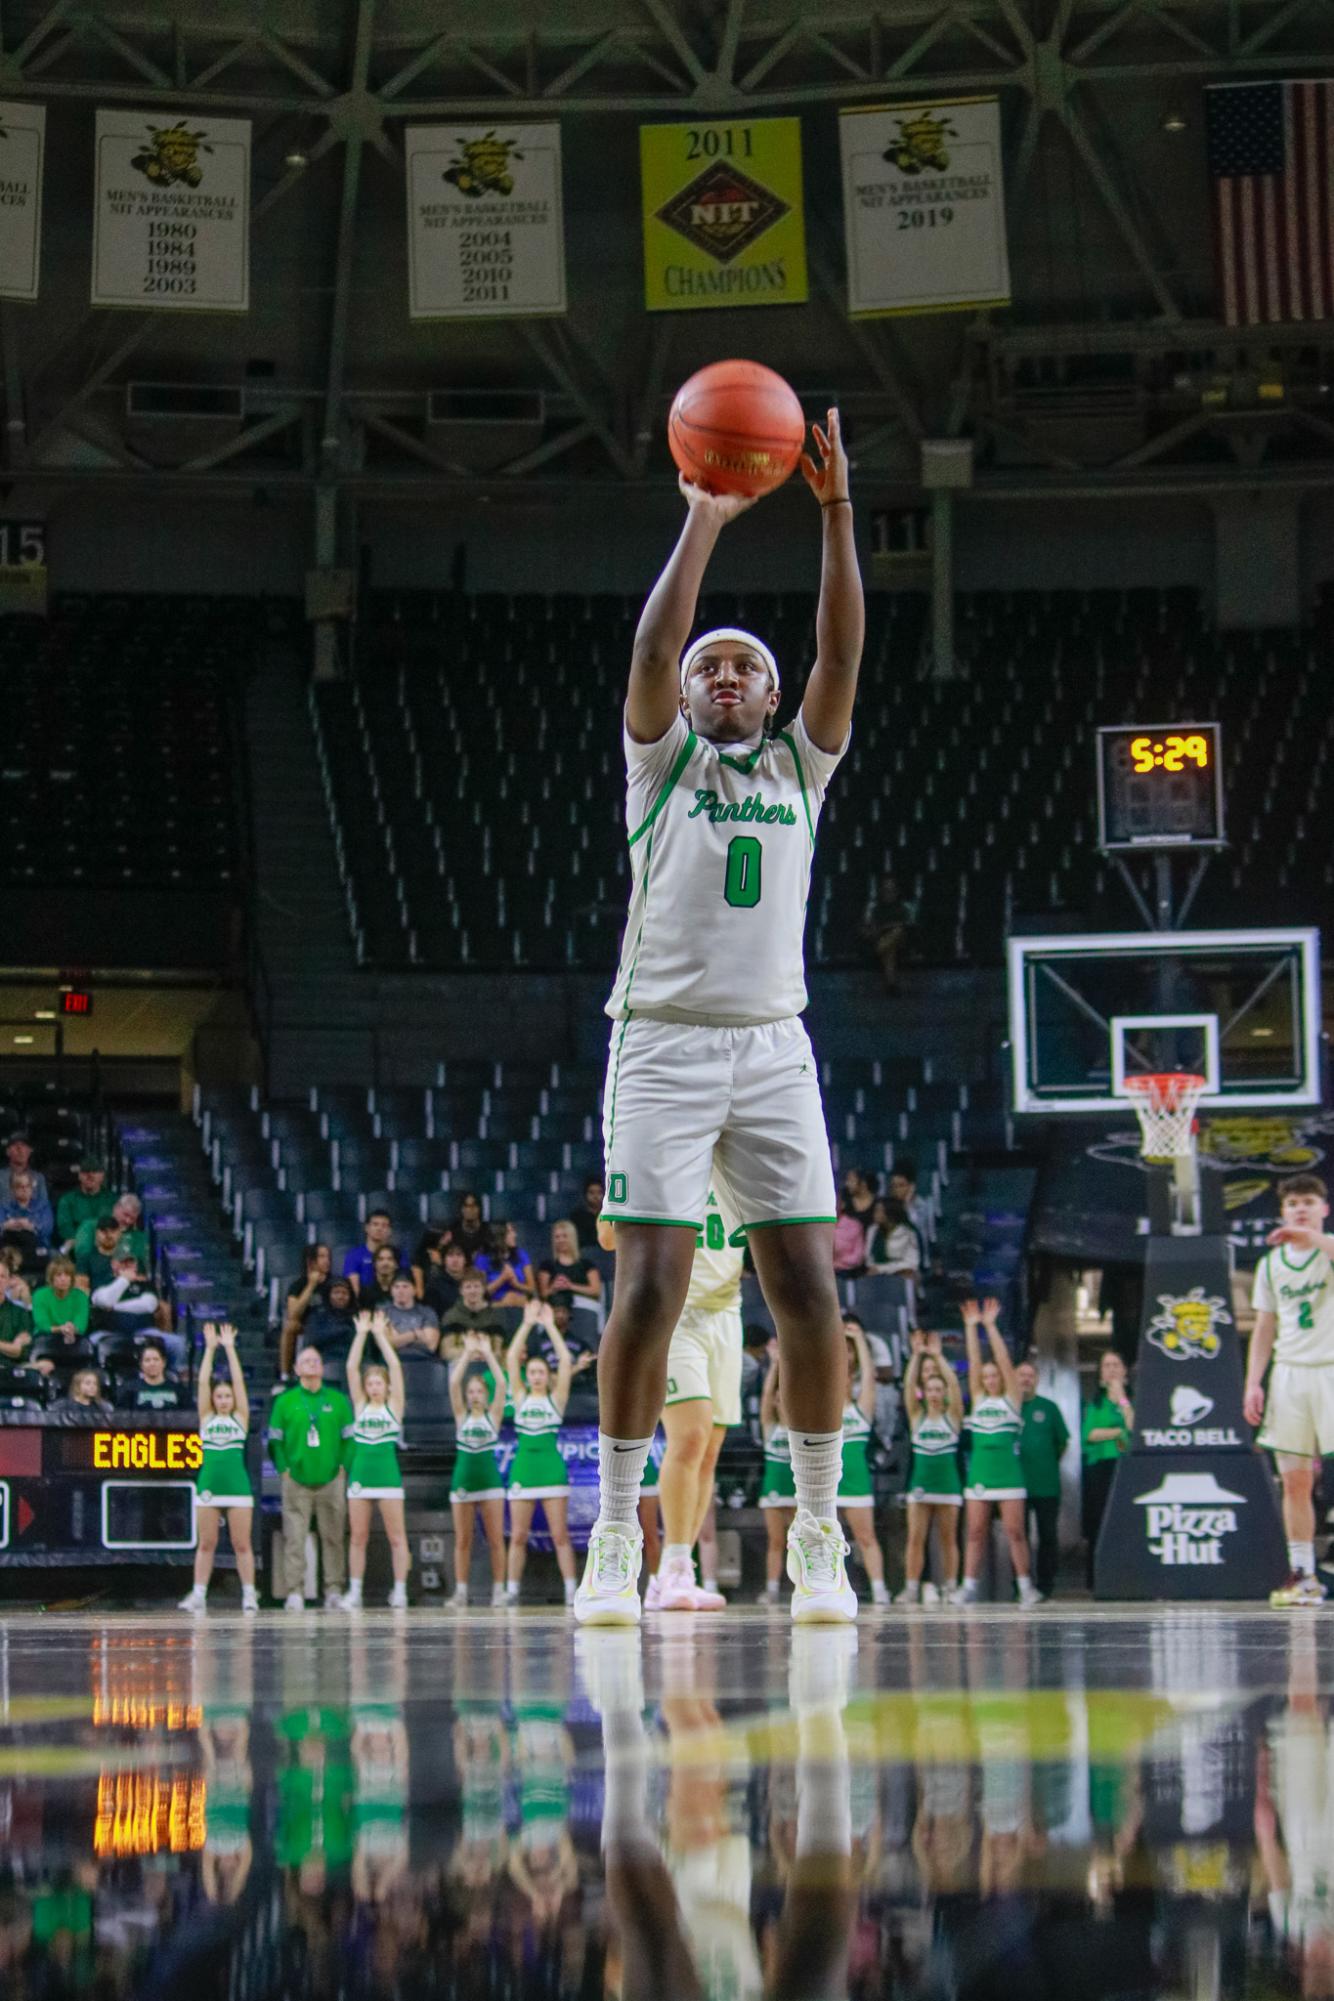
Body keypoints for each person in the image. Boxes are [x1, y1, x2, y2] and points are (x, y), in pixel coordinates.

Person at [575, 407, 865, 1629]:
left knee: (807, 1288)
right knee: (644, 1290)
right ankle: (610, 1542)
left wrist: (836, 515)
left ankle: (814, 1534)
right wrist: (702, 518)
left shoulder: (801, 765)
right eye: (711, 670)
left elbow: (839, 656)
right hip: (659, 1040)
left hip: (770, 1046)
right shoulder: (661, 769)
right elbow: (650, 652)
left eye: (743, 667)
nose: (725, 678)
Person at [611, 1181, 741, 1614]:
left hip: (726, 1314)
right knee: (690, 1436)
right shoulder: (667, 1154)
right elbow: (608, 1234)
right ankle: (671, 1569)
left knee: (708, 1449)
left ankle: (677, 1569)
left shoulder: (740, 1157)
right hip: (675, 1312)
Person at [1245, 1172, 1334, 1608]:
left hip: (1332, 1369)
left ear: (1324, 1209)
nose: (1300, 1208)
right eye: (1293, 1203)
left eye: (1308, 1202)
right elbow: (1264, 1327)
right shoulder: (1270, 1264)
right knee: (1295, 1480)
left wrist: (1310, 1236)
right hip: (1290, 1374)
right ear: (1282, 1211)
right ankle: (1304, 1574)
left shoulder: (1328, 1250)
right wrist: (1253, 1383)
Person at [960, 1297, 1040, 1607]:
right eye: (987, 1376)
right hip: (980, 1473)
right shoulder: (978, 1399)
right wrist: (970, 1329)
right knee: (976, 1532)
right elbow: (974, 1360)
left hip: (1009, 1473)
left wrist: (991, 1327)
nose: (991, 1378)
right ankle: (967, 1587)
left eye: (995, 1376)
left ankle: (1025, 1587)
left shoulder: (1012, 1399)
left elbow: (1006, 1364)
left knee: (1015, 1531)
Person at [180, 1323, 259, 1615]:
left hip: (237, 1487)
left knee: (242, 1544)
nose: (224, 1400)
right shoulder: (206, 1418)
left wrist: (230, 1348)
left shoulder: (240, 1418)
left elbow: (239, 1383)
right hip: (209, 1485)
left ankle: (250, 1594)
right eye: (220, 1396)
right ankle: (199, 1594)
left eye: (228, 1396)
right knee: (207, 1543)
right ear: (213, 1400)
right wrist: (210, 1349)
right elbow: (202, 1383)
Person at [269, 1345, 354, 1612]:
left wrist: (343, 1467)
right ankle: (294, 1591)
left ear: (322, 1367)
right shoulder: (285, 1401)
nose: (311, 1365)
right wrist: (284, 1469)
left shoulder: (338, 1400)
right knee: (294, 1537)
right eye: (305, 1361)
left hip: (331, 1478)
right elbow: (274, 1441)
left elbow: (349, 1439)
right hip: (296, 1480)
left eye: (316, 1361)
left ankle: (334, 1589)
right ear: (296, 1369)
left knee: (334, 1536)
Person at [505, 1301, 577, 1606]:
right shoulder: (519, 1396)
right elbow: (510, 1357)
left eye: (540, 1372)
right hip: (523, 1468)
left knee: (560, 1535)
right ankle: (510, 1591)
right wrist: (525, 1323)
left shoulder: (556, 1399)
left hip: (551, 1469)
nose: (535, 1376)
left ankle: (572, 1590)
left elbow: (564, 1359)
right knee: (518, 1535)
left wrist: (548, 1325)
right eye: (531, 1372)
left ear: (547, 1377)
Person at [342, 1310, 410, 1610]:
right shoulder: (359, 1405)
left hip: (388, 1477)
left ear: (386, 1387)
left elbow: (394, 1365)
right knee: (358, 1537)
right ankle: (354, 1592)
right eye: (369, 1384)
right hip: (360, 1476)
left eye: (378, 1383)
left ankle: (400, 1590)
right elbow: (350, 1367)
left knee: (397, 1537)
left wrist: (381, 1336)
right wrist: (360, 1334)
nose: (373, 1387)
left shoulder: (394, 1407)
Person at [898, 1331, 964, 1604]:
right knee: (915, 1537)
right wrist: (916, 1356)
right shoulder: (917, 1415)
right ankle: (911, 1587)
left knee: (948, 1539)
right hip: (921, 1484)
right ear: (925, 1393)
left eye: (940, 1390)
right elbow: (908, 1387)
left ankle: (950, 1587)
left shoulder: (953, 1416)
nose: (935, 1394)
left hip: (948, 1484)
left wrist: (938, 1357)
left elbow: (955, 1387)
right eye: (931, 1390)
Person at [448, 1331, 509, 1609]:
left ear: (486, 1395)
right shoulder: (460, 1415)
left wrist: (487, 1354)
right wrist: (465, 1354)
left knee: (496, 1539)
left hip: (490, 1482)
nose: (474, 1395)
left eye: (479, 1392)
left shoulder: (492, 1415)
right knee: (463, 1540)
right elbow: (453, 1383)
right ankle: (461, 1592)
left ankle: (499, 1590)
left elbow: (501, 1383)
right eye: (471, 1391)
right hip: (463, 1481)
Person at [838, 1317, 891, 1605]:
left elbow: (869, 1377)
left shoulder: (861, 1409)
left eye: (848, 1374)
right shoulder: (823, 1412)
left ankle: (880, 1589)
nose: (843, 1377)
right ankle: (829, 1589)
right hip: (830, 1481)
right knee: (827, 1543)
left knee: (866, 1537)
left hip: (857, 1481)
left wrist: (858, 1339)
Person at [1016, 1358, 1070, 1600]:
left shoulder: (1048, 1407)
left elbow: (1063, 1443)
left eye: (1030, 1375)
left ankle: (1046, 1584)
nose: (1026, 1379)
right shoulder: (1007, 1408)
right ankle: (1021, 1583)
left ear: (1036, 1380)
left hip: (1047, 1484)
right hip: (1016, 1485)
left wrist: (1047, 1461)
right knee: (1019, 1535)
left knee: (1048, 1536)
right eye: (1021, 1375)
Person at [1081, 1349, 1134, 1588]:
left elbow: (1134, 1426)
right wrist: (1119, 1432)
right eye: (1106, 1365)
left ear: (1124, 1371)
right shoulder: (1095, 1403)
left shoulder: (1133, 1400)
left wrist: (1122, 1400)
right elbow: (1090, 1434)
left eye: (1115, 1364)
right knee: (1098, 1522)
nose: (1111, 1369)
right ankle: (1097, 1578)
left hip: (1125, 1467)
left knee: (1126, 1521)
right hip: (1099, 1468)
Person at [758, 1345, 796, 1603]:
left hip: (795, 1490)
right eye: (778, 1398)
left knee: (797, 1541)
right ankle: (771, 1589)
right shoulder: (769, 1428)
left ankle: (801, 1585)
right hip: (773, 1488)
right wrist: (775, 1365)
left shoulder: (798, 1429)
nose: (781, 1402)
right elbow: (765, 1394)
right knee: (775, 1540)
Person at [283, 1272, 357, 1377]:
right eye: (336, 1293)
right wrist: (343, 1331)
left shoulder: (356, 1317)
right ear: (329, 1295)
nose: (341, 1296)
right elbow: (313, 1339)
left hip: (351, 1361)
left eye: (345, 1293)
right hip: (325, 1360)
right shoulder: (317, 1314)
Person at [440, 1266, 508, 1358]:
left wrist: (484, 1354)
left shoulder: (495, 1316)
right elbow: (446, 1352)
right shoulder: (451, 1316)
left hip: (488, 1364)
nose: (473, 1291)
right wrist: (472, 1354)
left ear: (483, 1289)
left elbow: (498, 1352)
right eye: (468, 1287)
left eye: (476, 1286)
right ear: (461, 1291)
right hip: (459, 1364)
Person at [537, 1219, 602, 1312]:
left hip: (583, 1304)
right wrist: (554, 1287)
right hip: (556, 1305)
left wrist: (570, 1286)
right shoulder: (547, 1265)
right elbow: (543, 1294)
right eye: (557, 1237)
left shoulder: (587, 1265)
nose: (561, 1240)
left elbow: (596, 1291)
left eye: (564, 1236)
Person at [861, 871, 911, 994]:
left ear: (897, 891)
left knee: (897, 933)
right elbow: (866, 928)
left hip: (902, 943)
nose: (889, 894)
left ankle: (879, 950)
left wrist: (889, 927)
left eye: (891, 890)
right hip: (879, 940)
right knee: (890, 950)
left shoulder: (904, 908)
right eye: (886, 890)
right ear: (881, 891)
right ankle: (891, 984)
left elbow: (908, 927)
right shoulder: (874, 908)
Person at [474, 1220, 535, 1307]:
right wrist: (502, 1278)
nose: (515, 1235)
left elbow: (531, 1289)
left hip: (521, 1305)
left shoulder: (521, 1254)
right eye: (510, 1232)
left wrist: (516, 1284)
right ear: (499, 1236)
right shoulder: (483, 1258)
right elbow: (480, 1293)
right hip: (494, 1307)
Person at [55, 1158, 112, 1250]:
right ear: (79, 1176)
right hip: (77, 1247)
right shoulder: (67, 1200)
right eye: (86, 1172)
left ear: (102, 1176)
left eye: (95, 1171)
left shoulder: (112, 1200)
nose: (90, 1175)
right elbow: (65, 1229)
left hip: (106, 1246)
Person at [380, 1271, 441, 1357]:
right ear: (391, 1291)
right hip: (392, 1359)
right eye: (396, 1287)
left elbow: (431, 1346)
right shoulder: (383, 1312)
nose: (400, 1291)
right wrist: (415, 1334)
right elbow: (386, 1344)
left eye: (405, 1286)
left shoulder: (427, 1312)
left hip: (424, 1359)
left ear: (414, 1290)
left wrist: (399, 1338)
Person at [0, 1168, 54, 1264]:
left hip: (38, 1247)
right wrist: (6, 1226)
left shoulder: (43, 1206)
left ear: (32, 1188)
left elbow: (47, 1229)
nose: (24, 1190)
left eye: (27, 1186)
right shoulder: (4, 1207)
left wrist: (31, 1227)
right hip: (9, 1249)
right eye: (20, 1187)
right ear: (12, 1189)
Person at [117, 1337, 187, 1411]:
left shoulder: (178, 1390)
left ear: (164, 1362)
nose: (152, 1364)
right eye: (147, 1360)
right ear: (141, 1364)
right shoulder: (129, 1390)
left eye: (156, 1359)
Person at [342, 1210, 397, 1295]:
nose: (379, 1228)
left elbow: (404, 1282)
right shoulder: (354, 1255)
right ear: (366, 1228)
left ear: (390, 1231)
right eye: (375, 1224)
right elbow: (353, 1290)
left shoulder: (398, 1254)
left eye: (384, 1225)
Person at [865, 1197, 921, 1277]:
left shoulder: (908, 1232)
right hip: (877, 1279)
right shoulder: (872, 1231)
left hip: (902, 1278)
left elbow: (911, 1264)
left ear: (889, 1214)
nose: (874, 1214)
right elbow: (868, 1259)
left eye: (878, 1211)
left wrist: (882, 1268)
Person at [285, 1244, 333, 1328]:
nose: (327, 1260)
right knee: (291, 1325)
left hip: (331, 1323)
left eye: (328, 1257)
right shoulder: (298, 1285)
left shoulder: (335, 1282)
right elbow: (292, 1315)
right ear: (310, 1261)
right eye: (322, 1256)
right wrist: (311, 1286)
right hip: (306, 1325)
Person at [0, 1130, 50, 1210]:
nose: (19, 1149)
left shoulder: (39, 1178)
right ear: (7, 1151)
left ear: (30, 1151)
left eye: (23, 1145)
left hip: (32, 1220)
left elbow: (43, 1208)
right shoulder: (1, 1177)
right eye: (15, 1145)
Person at [422, 1238, 469, 1318]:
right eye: (450, 1255)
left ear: (465, 1260)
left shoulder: (474, 1282)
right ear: (444, 1260)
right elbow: (430, 1317)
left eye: (459, 1255)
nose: (455, 1260)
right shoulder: (434, 1285)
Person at [569, 1177, 605, 1252]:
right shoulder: (577, 1217)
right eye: (591, 1192)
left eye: (599, 1192)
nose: (596, 1196)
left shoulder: (608, 1217)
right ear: (585, 1194)